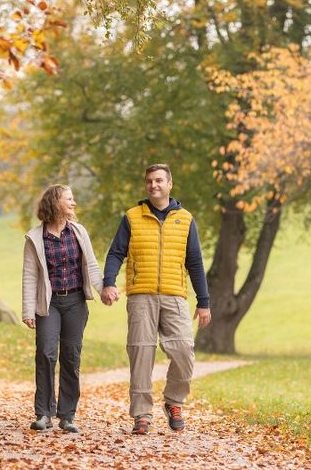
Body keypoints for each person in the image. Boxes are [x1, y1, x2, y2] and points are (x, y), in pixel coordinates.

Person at [101, 163, 211, 435]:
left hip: (174, 296)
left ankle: (174, 402)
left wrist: (204, 301)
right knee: (141, 353)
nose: (154, 185)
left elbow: (195, 262)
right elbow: (116, 253)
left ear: (170, 184)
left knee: (184, 350)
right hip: (141, 297)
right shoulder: (132, 217)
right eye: (149, 181)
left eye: (159, 180)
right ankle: (141, 414)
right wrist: (109, 283)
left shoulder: (185, 219)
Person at [22, 184, 105, 433]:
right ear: (55, 202)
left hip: (75, 303)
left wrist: (105, 291)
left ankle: (67, 416)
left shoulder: (78, 232)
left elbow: (91, 265)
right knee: (46, 353)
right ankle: (44, 413)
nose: (74, 203)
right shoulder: (35, 238)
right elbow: (29, 276)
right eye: (69, 199)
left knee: (71, 357)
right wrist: (28, 310)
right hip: (49, 304)